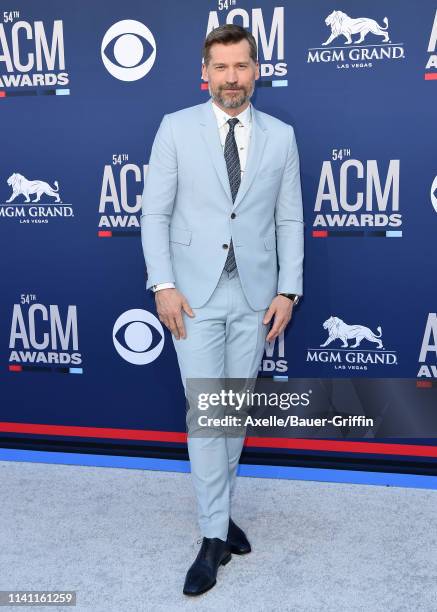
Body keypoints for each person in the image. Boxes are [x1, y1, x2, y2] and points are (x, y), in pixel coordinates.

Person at [140, 23, 304, 596]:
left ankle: (219, 512)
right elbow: (154, 215)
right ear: (204, 72)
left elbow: (289, 219)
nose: (231, 79)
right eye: (221, 68)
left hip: (256, 296)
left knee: (231, 412)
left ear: (256, 69)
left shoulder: (281, 136)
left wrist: (288, 290)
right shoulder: (175, 128)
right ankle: (214, 536)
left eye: (241, 66)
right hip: (193, 294)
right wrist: (162, 284)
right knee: (208, 411)